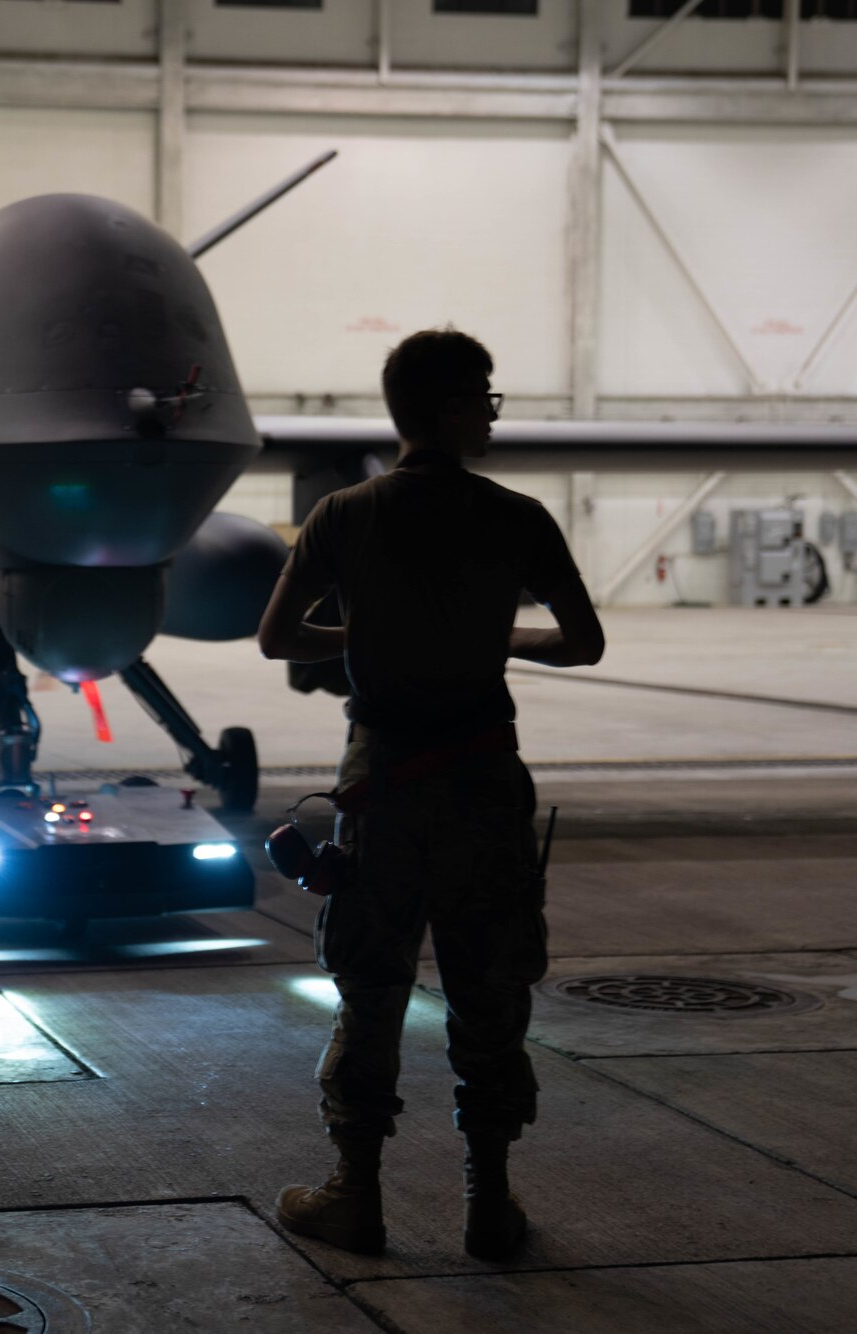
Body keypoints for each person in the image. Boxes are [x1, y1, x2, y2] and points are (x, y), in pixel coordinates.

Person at [256, 329, 605, 1262]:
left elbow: (279, 638)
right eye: (484, 396)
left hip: (384, 792)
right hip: (484, 787)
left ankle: (354, 1198)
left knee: (370, 990)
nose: (492, 412)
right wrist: (494, 640)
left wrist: (372, 636)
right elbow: (584, 642)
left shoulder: (344, 514)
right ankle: (489, 1205)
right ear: (450, 407)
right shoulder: (519, 517)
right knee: (488, 994)